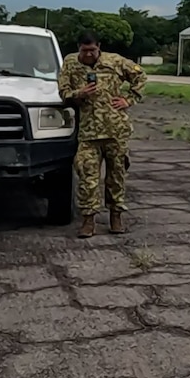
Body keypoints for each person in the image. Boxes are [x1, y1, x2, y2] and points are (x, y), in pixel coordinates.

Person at [57, 31, 146, 237]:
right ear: (78, 47)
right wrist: (79, 94)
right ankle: (88, 220)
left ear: (99, 47)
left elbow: (140, 75)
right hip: (88, 133)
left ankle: (116, 217)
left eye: (92, 50)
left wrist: (129, 99)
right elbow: (63, 93)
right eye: (84, 50)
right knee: (87, 177)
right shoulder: (70, 63)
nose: (88, 54)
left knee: (117, 177)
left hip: (115, 131)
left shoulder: (114, 61)